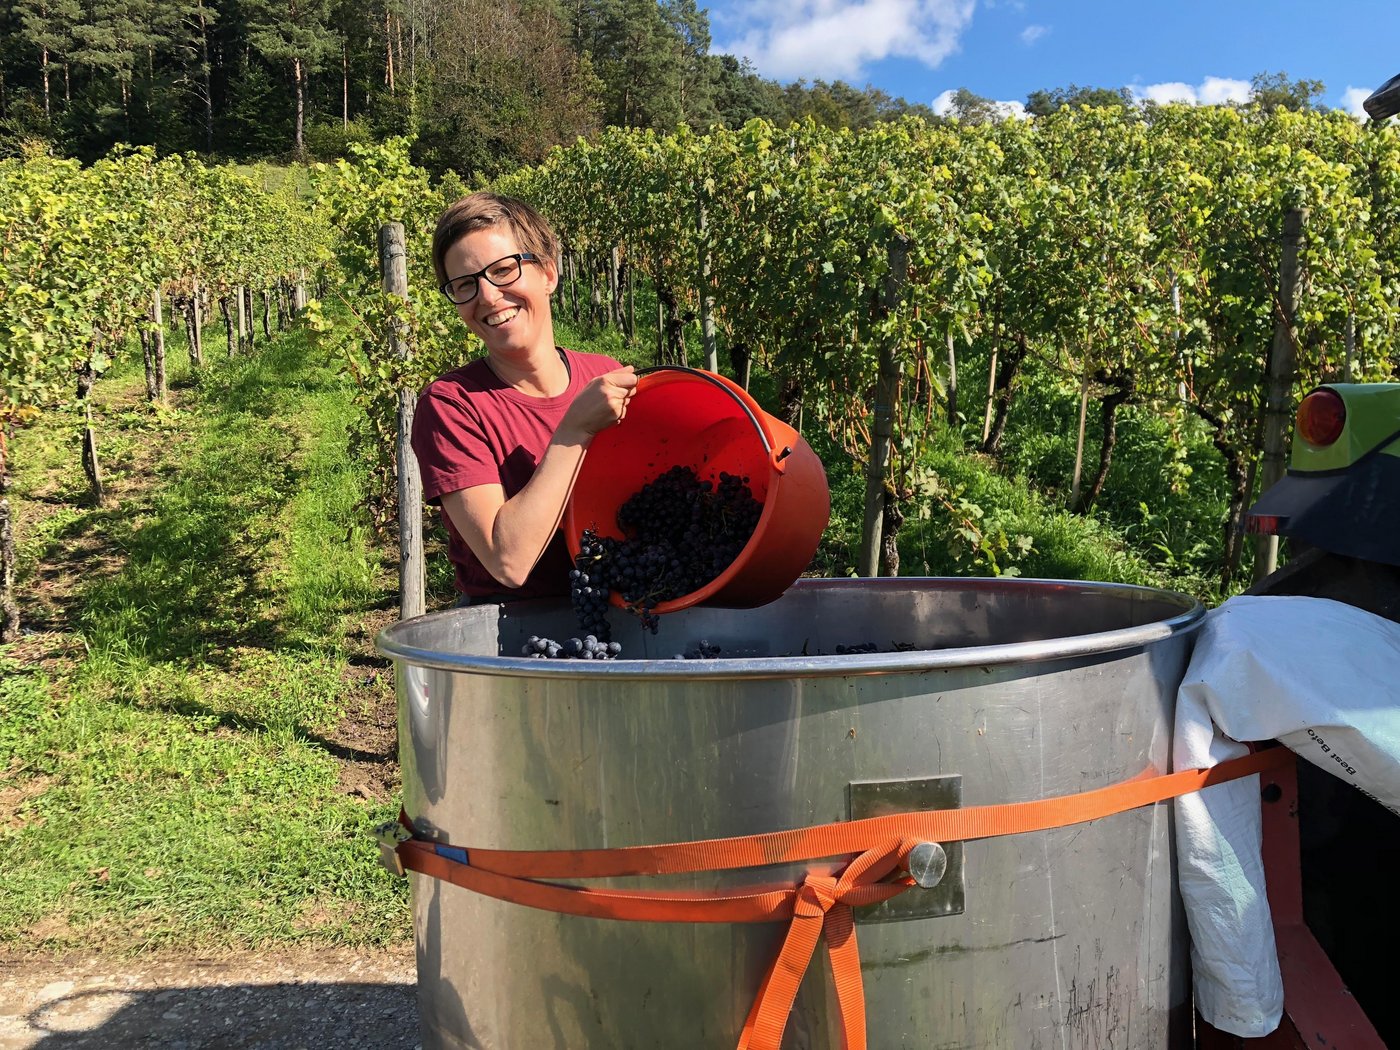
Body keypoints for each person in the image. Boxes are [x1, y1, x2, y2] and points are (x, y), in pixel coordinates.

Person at [411, 192, 637, 605]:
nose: (488, 296)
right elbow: (508, 560)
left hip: (617, 618)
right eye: (465, 284)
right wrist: (574, 429)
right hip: (513, 644)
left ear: (548, 273)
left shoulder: (603, 373)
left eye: (503, 270)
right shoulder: (451, 406)